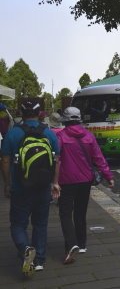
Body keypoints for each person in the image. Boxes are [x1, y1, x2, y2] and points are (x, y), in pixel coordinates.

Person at [1, 100, 60, 277]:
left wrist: (7, 184)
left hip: (20, 188)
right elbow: (57, 160)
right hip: (43, 187)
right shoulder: (49, 134)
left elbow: (5, 160)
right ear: (39, 112)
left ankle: (25, 248)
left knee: (18, 224)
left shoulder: (13, 134)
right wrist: (55, 182)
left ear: (21, 112)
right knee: (40, 223)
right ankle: (40, 259)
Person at [55, 107, 114, 265]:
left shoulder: (60, 136)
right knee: (80, 213)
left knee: (65, 214)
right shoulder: (89, 136)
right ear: (79, 119)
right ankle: (81, 244)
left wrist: (53, 181)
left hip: (66, 182)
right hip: (85, 181)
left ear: (65, 120)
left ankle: (71, 245)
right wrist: (108, 176)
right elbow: (98, 158)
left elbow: (56, 160)